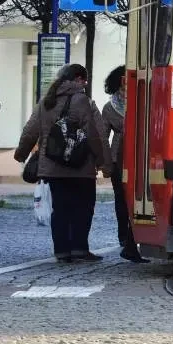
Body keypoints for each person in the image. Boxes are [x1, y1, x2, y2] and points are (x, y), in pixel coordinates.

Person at [14, 64, 111, 263]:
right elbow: (95, 134)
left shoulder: (47, 100)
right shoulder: (82, 100)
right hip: (81, 165)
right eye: (84, 80)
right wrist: (103, 162)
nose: (85, 84)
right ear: (78, 79)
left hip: (53, 165)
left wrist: (21, 153)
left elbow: (31, 130)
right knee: (83, 207)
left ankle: (62, 250)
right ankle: (79, 248)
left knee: (60, 209)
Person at [101, 66, 148, 263]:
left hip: (139, 154)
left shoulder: (142, 99)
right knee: (121, 199)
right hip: (119, 157)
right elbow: (103, 136)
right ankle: (125, 237)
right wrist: (104, 163)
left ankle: (131, 238)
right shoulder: (110, 107)